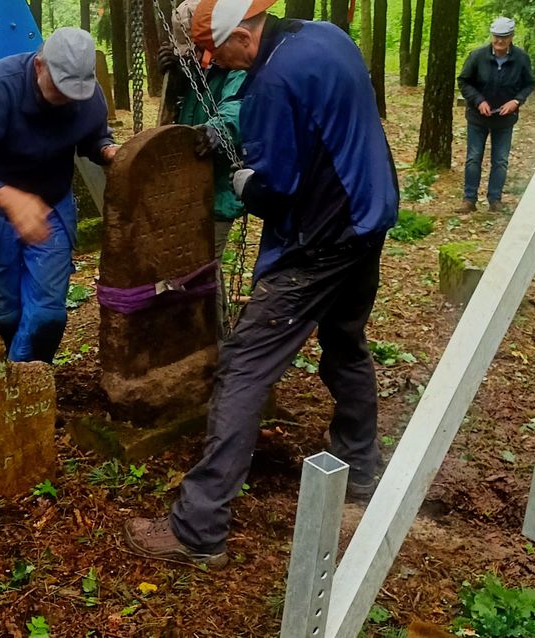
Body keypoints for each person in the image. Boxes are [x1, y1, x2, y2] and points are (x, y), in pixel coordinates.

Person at [123, 0, 399, 567]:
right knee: (345, 345)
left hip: (317, 244)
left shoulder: (271, 83)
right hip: (369, 220)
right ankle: (361, 466)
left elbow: (276, 188)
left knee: (244, 366)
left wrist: (246, 182)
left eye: (212, 50)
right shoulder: (329, 37)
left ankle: (198, 528)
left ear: (242, 36)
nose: (211, 62)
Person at [0, 28, 118, 363]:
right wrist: (10, 198)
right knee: (4, 316)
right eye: (60, 88)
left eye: (76, 92)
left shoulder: (88, 96)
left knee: (47, 315)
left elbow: (93, 135)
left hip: (51, 205)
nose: (68, 98)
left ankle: (28, 390)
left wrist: (106, 149)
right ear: (39, 66)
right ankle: (9, 380)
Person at [157, 0, 246, 337]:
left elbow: (239, 107)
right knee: (198, 264)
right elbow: (178, 113)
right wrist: (175, 79)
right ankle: (204, 337)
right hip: (189, 187)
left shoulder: (236, 64)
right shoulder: (195, 69)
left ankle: (218, 340)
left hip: (220, 188)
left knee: (205, 265)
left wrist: (217, 131)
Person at [457, 16, 535, 213]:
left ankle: (495, 199)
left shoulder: (521, 59)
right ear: (492, 37)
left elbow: (529, 83)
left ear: (511, 37)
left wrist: (516, 101)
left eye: (504, 38)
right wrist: (478, 101)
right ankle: (469, 199)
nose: (499, 42)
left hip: (505, 119)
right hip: (477, 117)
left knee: (500, 160)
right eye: (496, 37)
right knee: (473, 157)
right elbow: (464, 81)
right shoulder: (477, 56)